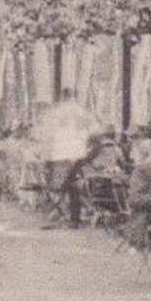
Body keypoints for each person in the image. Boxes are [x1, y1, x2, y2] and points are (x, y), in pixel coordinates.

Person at [33, 88, 99, 227]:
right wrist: (84, 142)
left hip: (60, 154)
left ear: (63, 96)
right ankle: (74, 218)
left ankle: (55, 217)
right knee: (73, 187)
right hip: (77, 155)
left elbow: (46, 134)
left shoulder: (56, 112)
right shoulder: (79, 111)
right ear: (73, 96)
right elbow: (94, 128)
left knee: (56, 186)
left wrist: (45, 155)